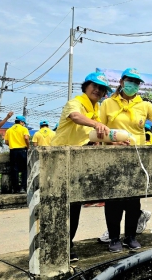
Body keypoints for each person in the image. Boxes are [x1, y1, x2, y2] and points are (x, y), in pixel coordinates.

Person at [99, 68, 152, 252]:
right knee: (114, 201)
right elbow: (99, 129)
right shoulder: (107, 103)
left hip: (137, 157)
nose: (133, 85)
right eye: (130, 81)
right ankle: (114, 238)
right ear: (122, 82)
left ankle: (130, 236)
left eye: (137, 82)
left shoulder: (143, 104)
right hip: (113, 156)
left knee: (133, 200)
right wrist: (112, 144)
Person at [50, 71, 113, 262]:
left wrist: (116, 142)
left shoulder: (95, 110)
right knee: (56, 206)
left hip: (77, 161)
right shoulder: (75, 103)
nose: (98, 90)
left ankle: (68, 245)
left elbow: (98, 135)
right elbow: (76, 117)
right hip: (58, 160)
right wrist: (96, 124)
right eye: (94, 86)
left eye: (102, 88)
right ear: (85, 86)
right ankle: (56, 247)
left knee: (75, 206)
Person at [4, 115, 30, 194]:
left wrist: (13, 144)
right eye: (23, 123)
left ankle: (16, 189)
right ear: (21, 122)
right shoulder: (24, 129)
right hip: (22, 150)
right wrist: (28, 146)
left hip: (13, 151)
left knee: (14, 170)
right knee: (24, 170)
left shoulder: (9, 130)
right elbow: (26, 138)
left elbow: (6, 142)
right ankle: (23, 188)